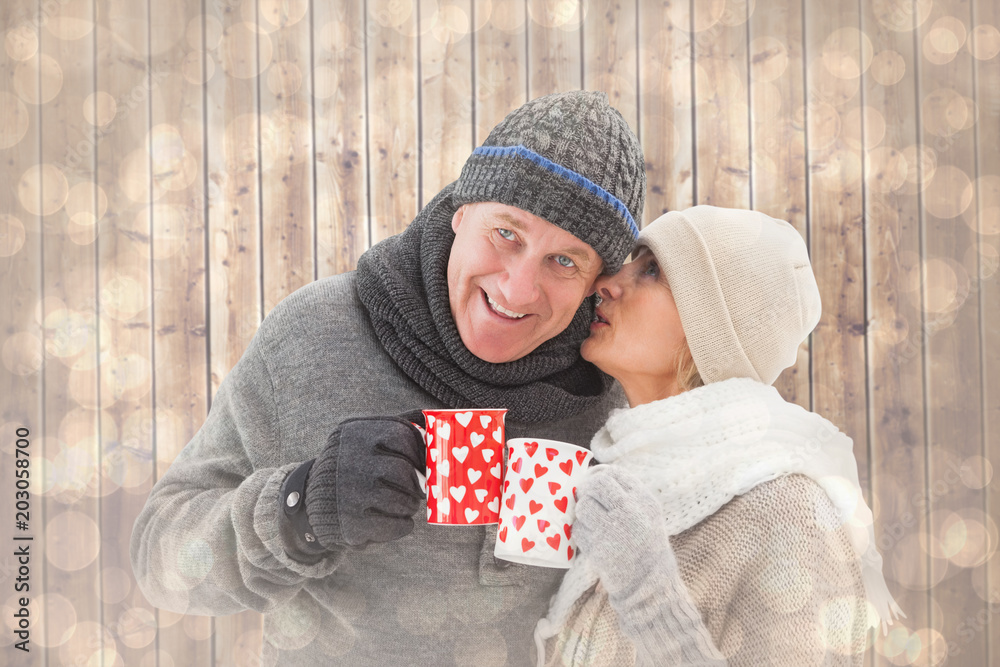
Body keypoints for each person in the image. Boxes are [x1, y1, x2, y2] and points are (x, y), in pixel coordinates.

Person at [129, 90, 646, 666]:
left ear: (597, 282)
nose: (517, 289)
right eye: (507, 234)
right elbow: (160, 562)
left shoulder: (614, 388)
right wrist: (300, 508)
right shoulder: (315, 334)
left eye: (565, 261)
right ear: (460, 211)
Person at [532, 206, 904, 666]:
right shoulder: (623, 468)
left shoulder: (787, 513)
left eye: (651, 271)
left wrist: (649, 594)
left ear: (711, 328)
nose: (606, 282)